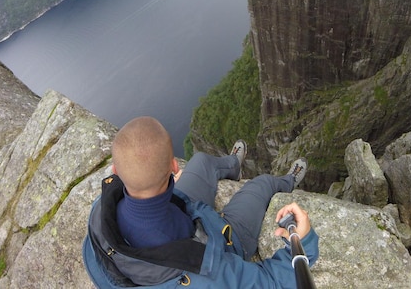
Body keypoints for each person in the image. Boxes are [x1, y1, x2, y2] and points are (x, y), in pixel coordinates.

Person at [83, 116, 318, 288]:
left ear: (115, 171)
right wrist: (303, 242)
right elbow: (272, 282)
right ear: (174, 167)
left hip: (180, 210)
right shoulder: (206, 276)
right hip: (220, 246)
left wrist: (165, 187)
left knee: (202, 162)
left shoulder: (102, 211)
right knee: (262, 184)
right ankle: (287, 181)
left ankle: (233, 167)